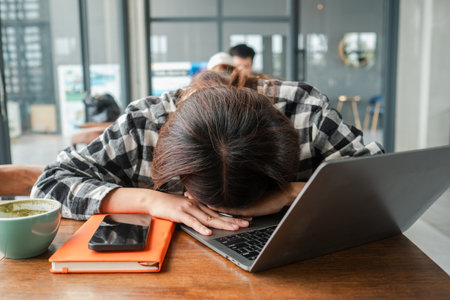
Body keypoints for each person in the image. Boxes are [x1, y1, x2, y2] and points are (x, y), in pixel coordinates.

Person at [31, 68, 384, 236]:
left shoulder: (305, 113)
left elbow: (384, 185)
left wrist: (295, 192)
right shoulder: (144, 126)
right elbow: (49, 184)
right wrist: (149, 201)